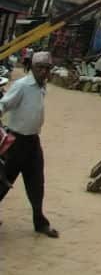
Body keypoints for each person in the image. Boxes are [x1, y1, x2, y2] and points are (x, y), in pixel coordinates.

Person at [0, 51, 59, 237]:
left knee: (36, 183)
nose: (43, 72)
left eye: (47, 69)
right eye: (40, 68)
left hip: (33, 142)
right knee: (3, 182)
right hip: (15, 142)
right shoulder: (22, 85)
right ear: (32, 68)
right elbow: (3, 104)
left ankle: (40, 222)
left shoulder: (41, 86)